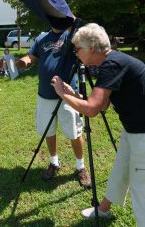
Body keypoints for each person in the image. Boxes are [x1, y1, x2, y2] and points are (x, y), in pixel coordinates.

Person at [51, 23, 145, 226]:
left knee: (140, 186)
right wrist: (71, 94)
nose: (76, 54)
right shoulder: (112, 61)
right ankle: (103, 209)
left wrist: (61, 94)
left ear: (91, 48)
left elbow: (92, 110)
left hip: (142, 133)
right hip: (134, 129)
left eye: (77, 49)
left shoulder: (112, 64)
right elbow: (102, 105)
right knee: (121, 169)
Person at [15, 25, 91, 188]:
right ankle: (54, 162)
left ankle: (81, 167)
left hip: (68, 95)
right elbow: (31, 57)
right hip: (45, 95)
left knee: (74, 132)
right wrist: (22, 62)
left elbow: (84, 52)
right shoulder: (42, 38)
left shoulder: (72, 36)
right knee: (48, 131)